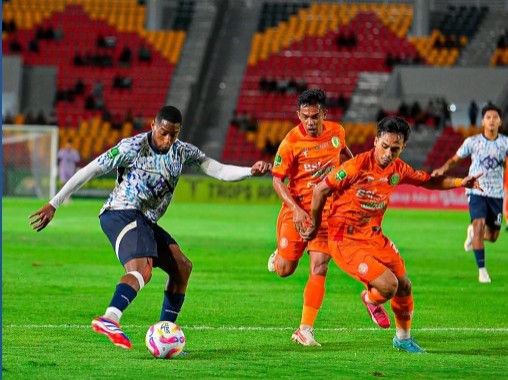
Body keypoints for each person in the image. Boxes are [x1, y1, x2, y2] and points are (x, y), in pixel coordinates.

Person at [29, 105, 272, 349]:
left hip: (145, 219)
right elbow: (91, 169)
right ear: (153, 126)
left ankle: (165, 335)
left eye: (173, 134)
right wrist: (54, 203)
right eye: (163, 133)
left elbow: (217, 169)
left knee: (182, 267)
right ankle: (110, 318)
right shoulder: (132, 147)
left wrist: (250, 171)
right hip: (120, 212)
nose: (167, 140)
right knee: (142, 270)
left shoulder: (182, 151)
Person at [302, 116, 482, 353]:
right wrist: (315, 226)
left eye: (394, 149)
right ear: (376, 141)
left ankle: (403, 339)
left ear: (402, 147)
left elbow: (429, 181)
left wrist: (461, 181)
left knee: (405, 285)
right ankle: (370, 299)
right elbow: (321, 190)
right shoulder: (356, 166)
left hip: (374, 236)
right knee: (389, 286)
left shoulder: (398, 169)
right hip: (344, 239)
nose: (388, 153)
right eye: (384, 146)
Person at [268, 89, 353, 346]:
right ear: (298, 115)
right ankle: (279, 256)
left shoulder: (337, 133)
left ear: (324, 114)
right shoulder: (291, 141)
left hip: (326, 213)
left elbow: (348, 158)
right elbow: (277, 179)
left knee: (320, 266)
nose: (310, 122)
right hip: (298, 210)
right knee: (285, 270)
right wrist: (295, 209)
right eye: (305, 117)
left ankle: (305, 329)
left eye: (315, 116)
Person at [432, 103, 508, 282]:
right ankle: (482, 270)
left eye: (495, 118)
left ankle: (473, 234)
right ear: (482, 121)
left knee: (493, 236)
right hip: (476, 190)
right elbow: (455, 159)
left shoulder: (505, 142)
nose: (491, 121)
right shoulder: (472, 142)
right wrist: (443, 169)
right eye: (488, 117)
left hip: (496, 194)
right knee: (479, 225)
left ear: (500, 122)